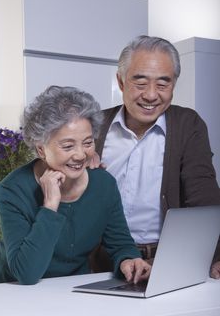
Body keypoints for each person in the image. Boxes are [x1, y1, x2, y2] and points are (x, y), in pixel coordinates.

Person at [0, 85, 151, 285]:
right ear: (41, 149)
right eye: (68, 146)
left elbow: (121, 244)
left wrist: (129, 260)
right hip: (14, 296)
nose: (80, 155)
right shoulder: (13, 190)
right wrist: (50, 206)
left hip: (73, 292)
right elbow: (26, 273)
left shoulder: (104, 184)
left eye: (88, 142)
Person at [90, 35, 220, 279]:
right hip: (101, 261)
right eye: (140, 83)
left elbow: (204, 196)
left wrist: (214, 255)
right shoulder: (94, 126)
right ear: (120, 81)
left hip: (168, 259)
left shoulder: (187, 124)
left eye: (163, 84)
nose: (151, 95)